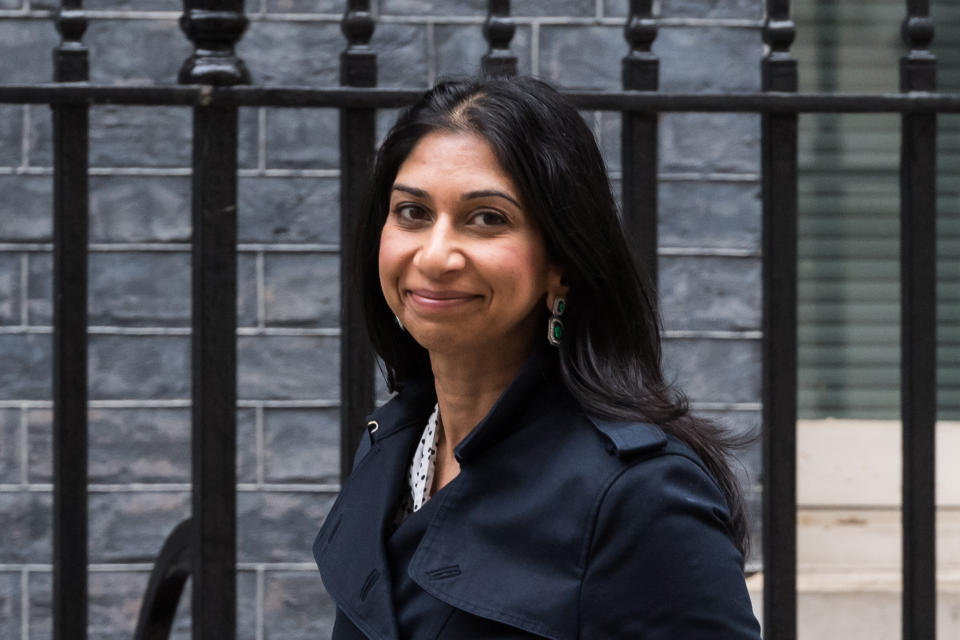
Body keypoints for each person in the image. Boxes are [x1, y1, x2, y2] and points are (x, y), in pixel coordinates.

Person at [313, 75, 762, 639]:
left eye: (487, 219)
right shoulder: (393, 442)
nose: (435, 255)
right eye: (412, 212)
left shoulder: (638, 493)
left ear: (562, 265)